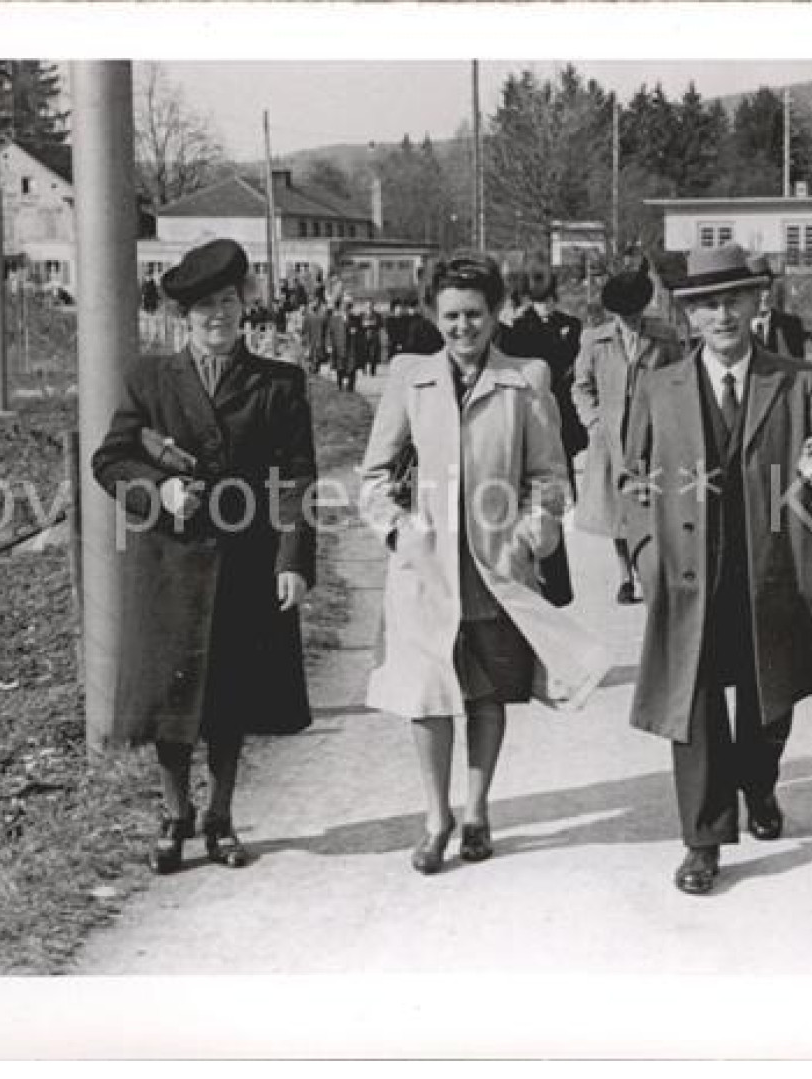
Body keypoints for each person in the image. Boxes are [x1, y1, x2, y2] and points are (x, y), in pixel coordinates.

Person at [620, 243, 812, 896]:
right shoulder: (659, 385)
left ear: (758, 304)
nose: (721, 314)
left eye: (733, 299)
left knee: (767, 698)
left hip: (769, 567)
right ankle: (702, 840)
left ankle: (758, 783)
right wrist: (645, 555)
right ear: (689, 316)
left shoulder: (796, 381)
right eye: (705, 304)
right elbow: (631, 483)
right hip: (686, 573)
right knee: (691, 704)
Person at [360, 252, 609, 875]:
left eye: (474, 314)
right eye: (450, 316)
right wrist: (399, 531)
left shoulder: (527, 379)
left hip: (496, 566)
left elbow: (549, 475)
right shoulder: (408, 378)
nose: (462, 327)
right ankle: (435, 816)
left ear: (495, 314)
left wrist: (533, 528)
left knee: (487, 694)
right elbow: (373, 476)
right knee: (427, 694)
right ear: (432, 315)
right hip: (426, 570)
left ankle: (477, 809)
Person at [92, 238, 318, 875]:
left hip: (244, 563)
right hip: (167, 565)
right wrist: (159, 489)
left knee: (229, 698)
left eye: (227, 301)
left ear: (244, 304)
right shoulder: (151, 380)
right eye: (202, 307)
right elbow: (110, 460)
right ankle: (174, 813)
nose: (218, 316)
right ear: (181, 318)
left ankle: (219, 816)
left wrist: (293, 559)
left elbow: (296, 476)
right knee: (171, 698)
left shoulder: (278, 383)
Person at [571, 261, 682, 605]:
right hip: (611, 438)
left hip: (653, 435)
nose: (630, 319)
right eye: (623, 313)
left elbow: (681, 381)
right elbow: (581, 386)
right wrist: (593, 422)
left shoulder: (664, 337)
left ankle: (649, 570)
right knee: (615, 511)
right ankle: (623, 576)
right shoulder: (595, 339)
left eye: (634, 312)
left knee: (649, 504)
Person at [500, 270, 588, 467]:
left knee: (564, 451)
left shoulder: (570, 324)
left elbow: (575, 356)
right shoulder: (521, 326)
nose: (545, 307)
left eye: (549, 300)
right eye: (540, 302)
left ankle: (567, 493)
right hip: (534, 394)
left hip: (562, 395)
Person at [753, 278, 807, 359]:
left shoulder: (792, 324)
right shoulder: (736, 326)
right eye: (759, 289)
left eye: (768, 288)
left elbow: (798, 363)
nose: (765, 294)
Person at [301, 294, 330, 377]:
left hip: (315, 338)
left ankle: (314, 368)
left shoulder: (316, 316)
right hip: (314, 338)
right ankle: (314, 368)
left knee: (314, 354)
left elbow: (304, 328)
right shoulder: (314, 316)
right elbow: (305, 328)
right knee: (314, 354)